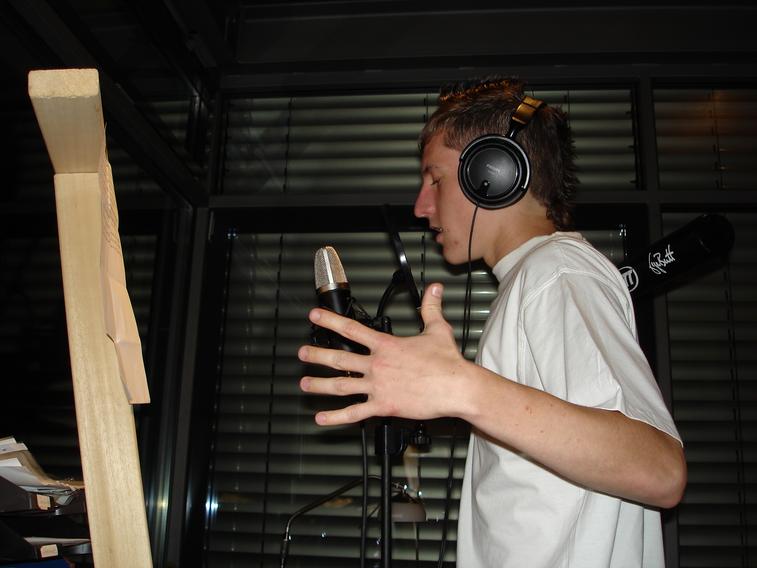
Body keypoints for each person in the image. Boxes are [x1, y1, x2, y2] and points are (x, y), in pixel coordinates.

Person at [298, 77, 686, 567]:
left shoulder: (556, 273)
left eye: (435, 179)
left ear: (494, 171)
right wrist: (442, 402)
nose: (420, 206)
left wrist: (462, 388)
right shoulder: (534, 280)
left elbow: (658, 469)